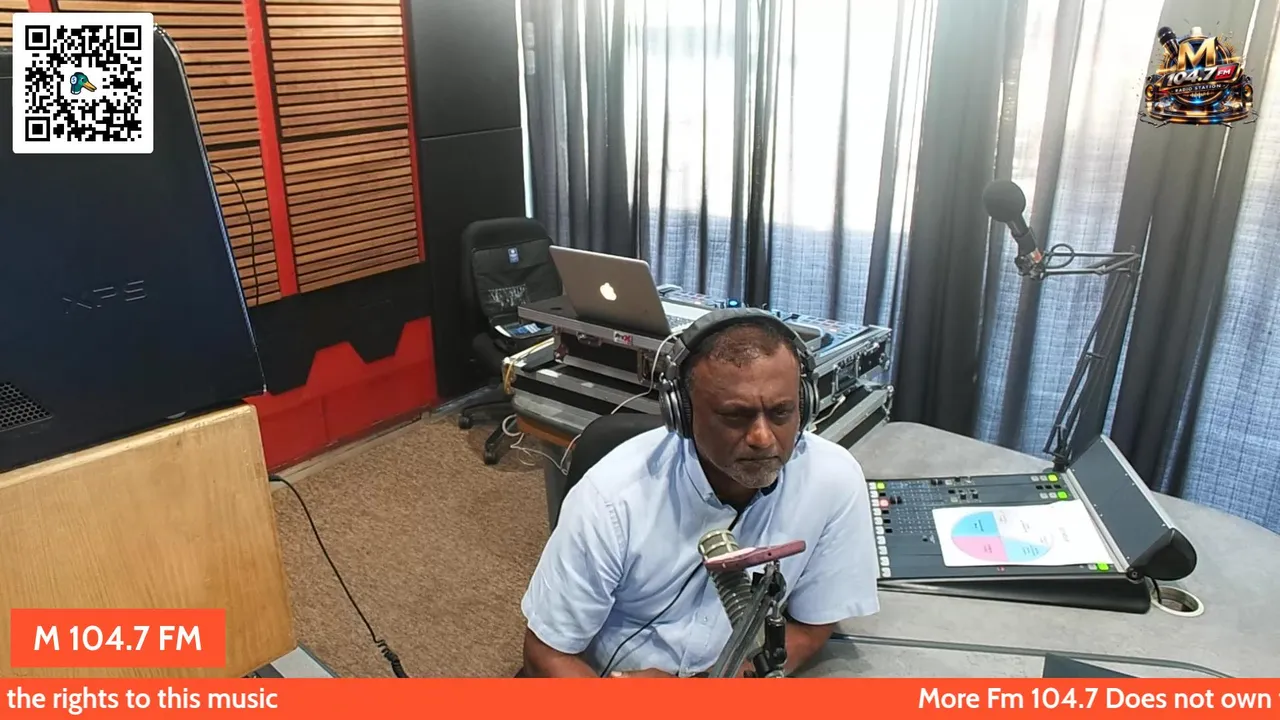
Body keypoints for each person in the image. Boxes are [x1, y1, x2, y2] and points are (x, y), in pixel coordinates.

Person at [519, 310, 880, 678]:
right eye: (735, 416)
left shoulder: (834, 480)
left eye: (781, 412)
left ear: (805, 403)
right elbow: (545, 653)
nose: (762, 438)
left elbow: (811, 625)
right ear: (681, 413)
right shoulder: (611, 497)